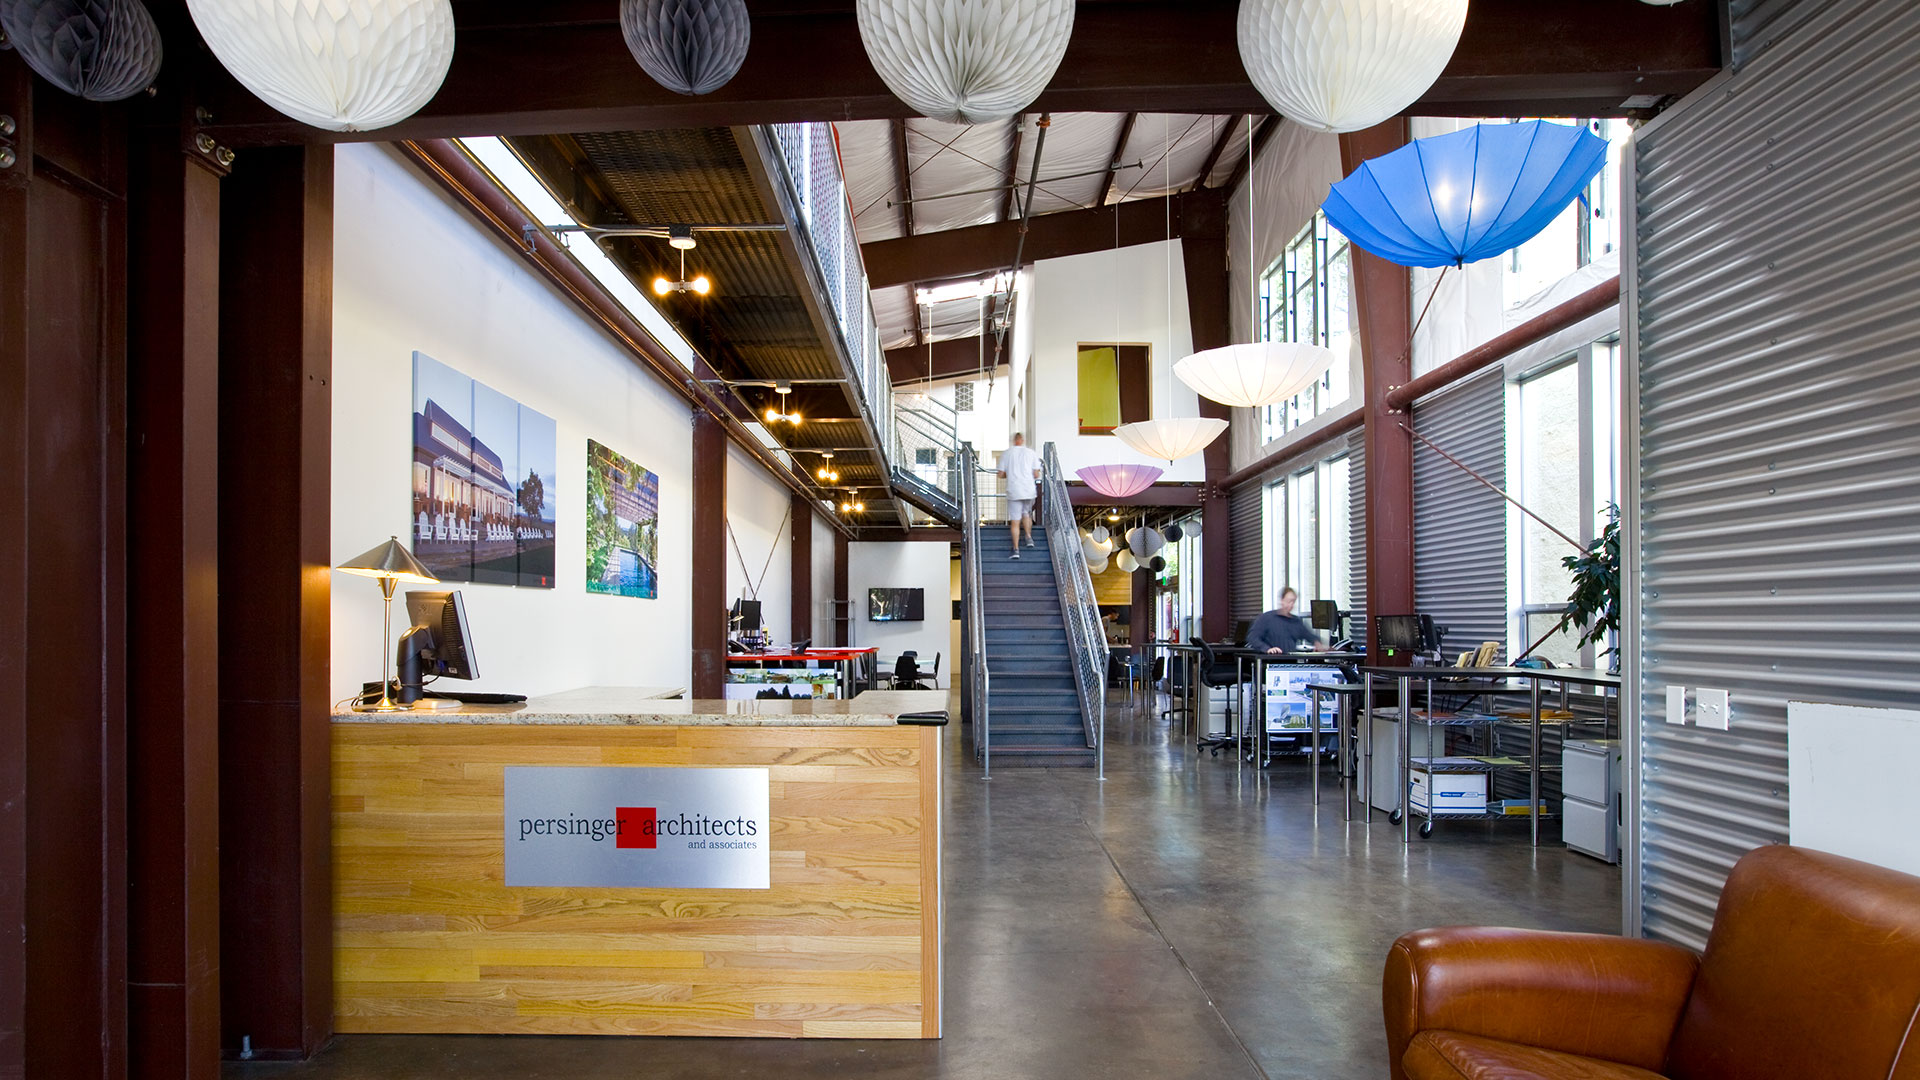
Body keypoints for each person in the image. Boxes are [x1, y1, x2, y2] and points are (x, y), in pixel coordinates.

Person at [997, 432, 1041, 559]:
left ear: (1014, 440)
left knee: (1015, 521)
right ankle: (1028, 537)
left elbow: (1000, 474)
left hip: (1014, 490)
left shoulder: (1007, 453)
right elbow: (1036, 474)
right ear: (1022, 440)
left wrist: (1009, 474)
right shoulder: (1031, 453)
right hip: (1028, 490)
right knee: (1026, 514)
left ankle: (1016, 550)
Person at [1245, 587, 1325, 654]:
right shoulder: (1266, 618)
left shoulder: (1296, 621)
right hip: (1270, 662)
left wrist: (1317, 643)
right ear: (1282, 600)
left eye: (1293, 601)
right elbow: (1253, 637)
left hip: (1291, 662)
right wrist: (1267, 649)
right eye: (1288, 601)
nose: (1291, 605)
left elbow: (1309, 635)